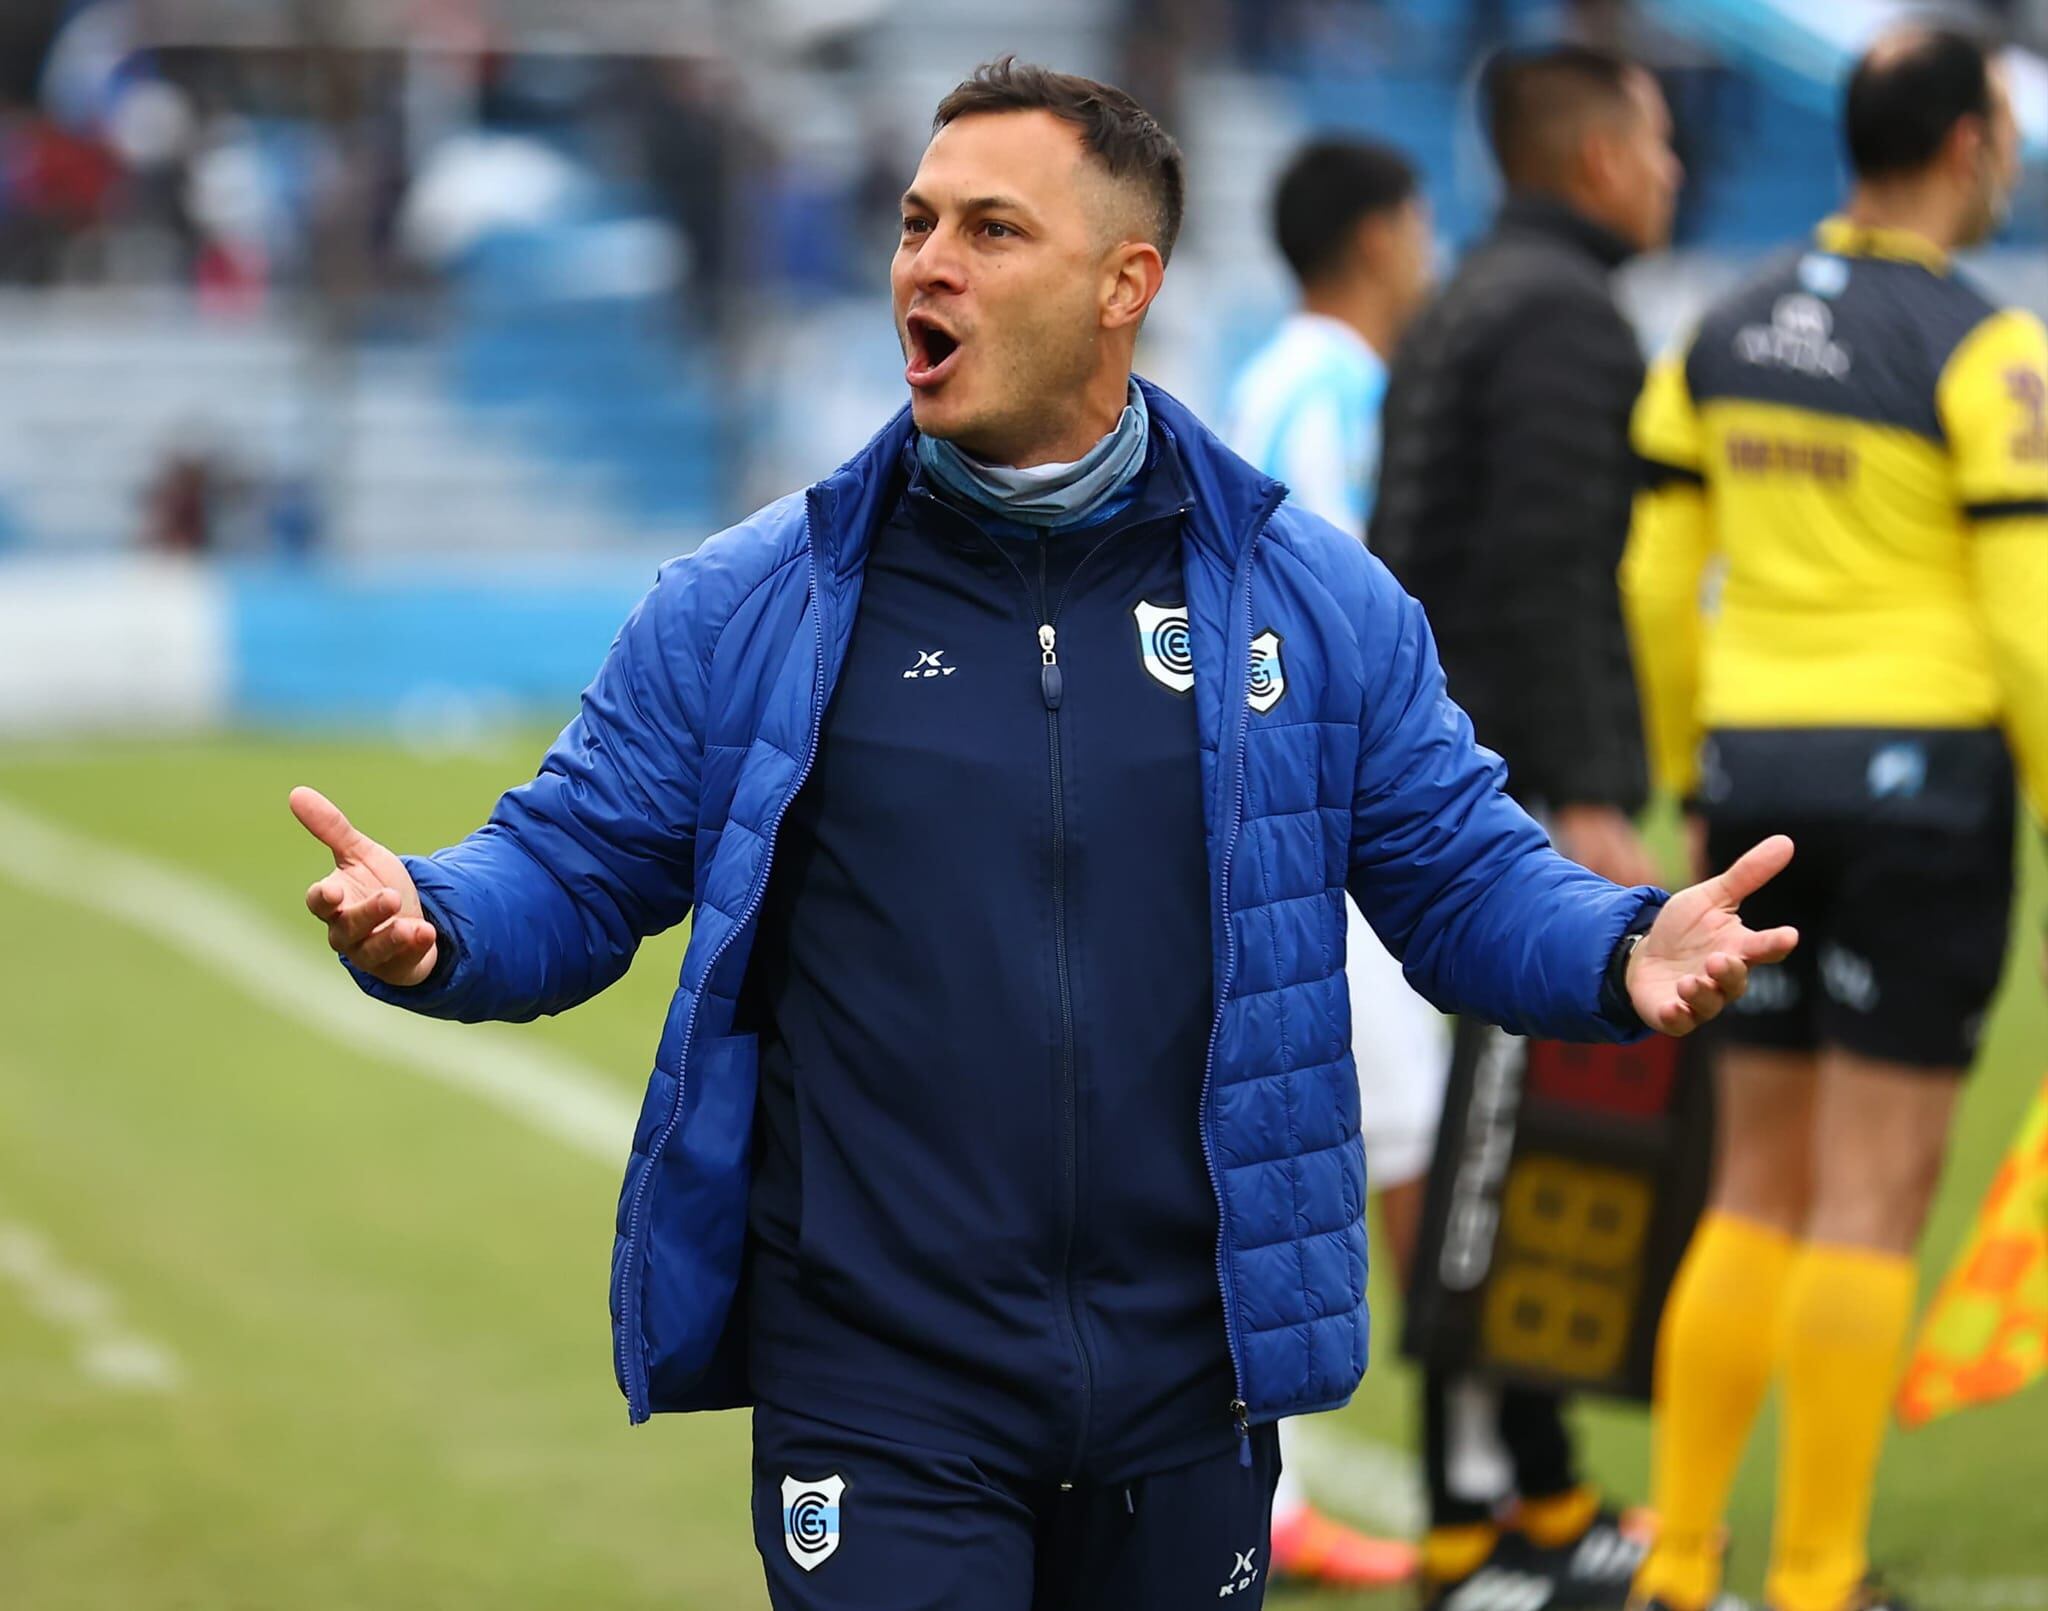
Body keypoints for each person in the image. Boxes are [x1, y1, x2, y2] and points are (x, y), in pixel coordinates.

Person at [289, 59, 1794, 1611]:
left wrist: (1620, 942)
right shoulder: (752, 604)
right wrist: (443, 917)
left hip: (1188, 1373)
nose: (927, 263)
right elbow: (573, 857)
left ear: (1122, 285)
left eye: (993, 230)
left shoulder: (1311, 600)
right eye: (915, 222)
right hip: (880, 1378)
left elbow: (1464, 872)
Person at [1622, 28, 2045, 1611]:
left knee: (1754, 1186)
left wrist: (1683, 778)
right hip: (1925, 788)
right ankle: (1812, 1579)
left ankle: (1677, 1567)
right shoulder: (1987, 347)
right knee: (1868, 1202)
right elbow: (2028, 627)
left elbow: (1658, 588)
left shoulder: (1716, 331)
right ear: (1961, 146)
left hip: (1753, 787)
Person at [1369, 43, 1684, 1610]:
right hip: (1484, 806)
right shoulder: (1562, 316)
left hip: (1430, 778)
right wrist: (1584, 793)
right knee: (1506, 1145)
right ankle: (1487, 1527)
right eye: (1658, 136)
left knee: (1490, 1146)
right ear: (1599, 152)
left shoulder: (1467, 298)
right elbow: (1553, 574)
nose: (1676, 172)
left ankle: (1520, 1504)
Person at [1223, 135, 1440, 1591]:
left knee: (1336, 1140)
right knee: (1388, 1136)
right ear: (1374, 236)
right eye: (1420, 221)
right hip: (1334, 829)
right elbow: (1337, 619)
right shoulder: (1331, 391)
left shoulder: (1275, 374)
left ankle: (1298, 1486)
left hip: (1304, 823)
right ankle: (1471, 1466)